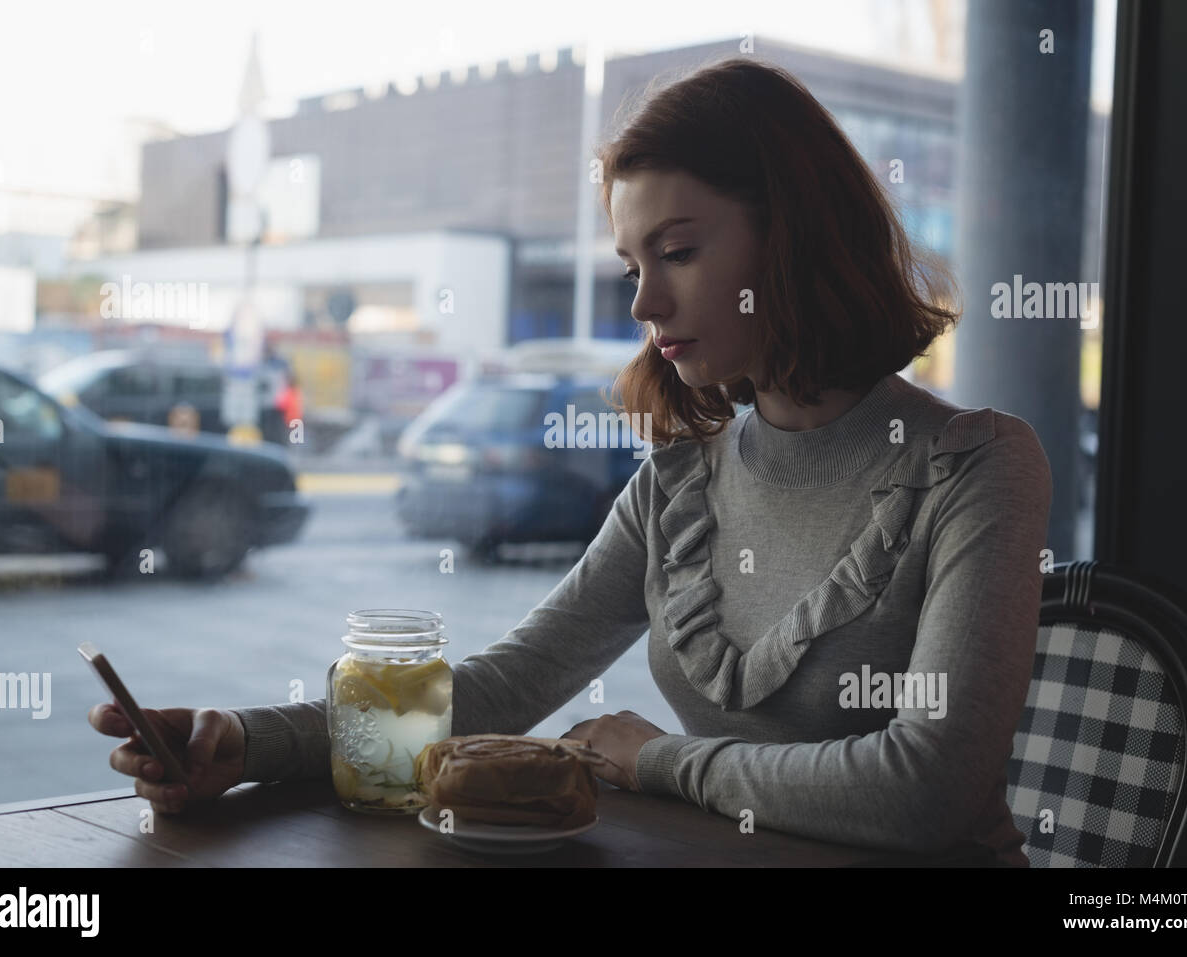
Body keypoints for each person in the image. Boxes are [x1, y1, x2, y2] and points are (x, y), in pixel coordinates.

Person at [90, 57, 1052, 866]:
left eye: (676, 252)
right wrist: (247, 740)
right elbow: (510, 681)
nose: (642, 306)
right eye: (632, 267)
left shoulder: (976, 466)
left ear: (792, 235)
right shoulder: (684, 479)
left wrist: (660, 758)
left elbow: (928, 785)